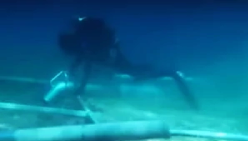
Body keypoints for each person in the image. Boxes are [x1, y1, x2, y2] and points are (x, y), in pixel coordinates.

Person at [57, 17, 199, 109]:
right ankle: (152, 71)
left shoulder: (85, 41)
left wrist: (81, 87)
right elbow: (84, 59)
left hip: (111, 58)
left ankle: (171, 73)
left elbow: (86, 61)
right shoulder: (86, 39)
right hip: (110, 56)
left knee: (132, 72)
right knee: (131, 71)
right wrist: (75, 70)